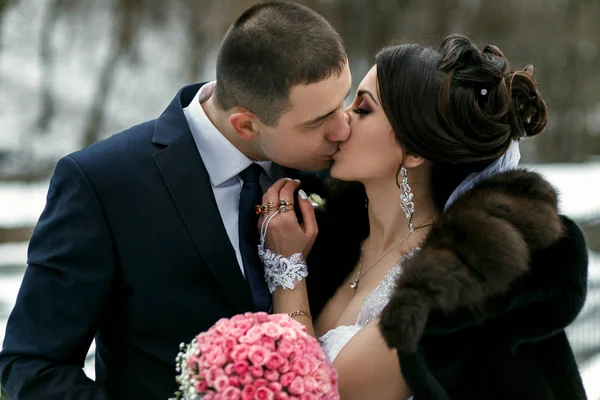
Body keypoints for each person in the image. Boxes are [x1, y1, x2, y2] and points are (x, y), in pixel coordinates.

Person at [0, 2, 351, 399]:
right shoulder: (103, 183)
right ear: (246, 124)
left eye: (343, 101)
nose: (343, 128)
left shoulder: (339, 171)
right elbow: (31, 364)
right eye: (319, 121)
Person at [258, 34, 588, 399]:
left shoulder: (444, 287)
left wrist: (285, 269)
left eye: (362, 109)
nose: (341, 122)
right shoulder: (334, 237)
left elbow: (312, 392)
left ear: (413, 150)